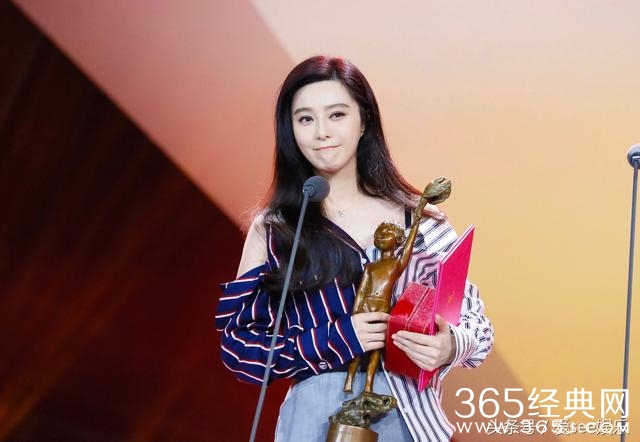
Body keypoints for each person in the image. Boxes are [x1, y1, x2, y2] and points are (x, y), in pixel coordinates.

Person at [215, 56, 494, 441]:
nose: (321, 132)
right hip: (313, 420)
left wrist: (449, 346)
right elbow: (239, 348)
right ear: (289, 130)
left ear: (364, 121)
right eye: (305, 119)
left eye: (337, 115)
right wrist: (340, 336)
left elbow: (476, 322)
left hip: (407, 415)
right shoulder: (276, 228)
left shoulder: (421, 219)